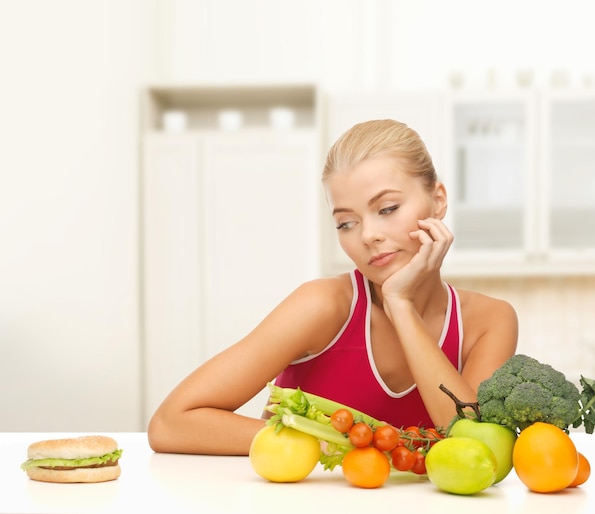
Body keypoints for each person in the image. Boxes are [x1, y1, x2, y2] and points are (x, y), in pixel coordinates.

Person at [147, 119, 518, 455]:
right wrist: (328, 445)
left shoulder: (488, 322)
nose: (369, 235)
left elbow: (474, 449)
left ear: (438, 200)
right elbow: (171, 422)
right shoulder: (322, 306)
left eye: (387, 208)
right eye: (346, 223)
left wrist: (400, 305)